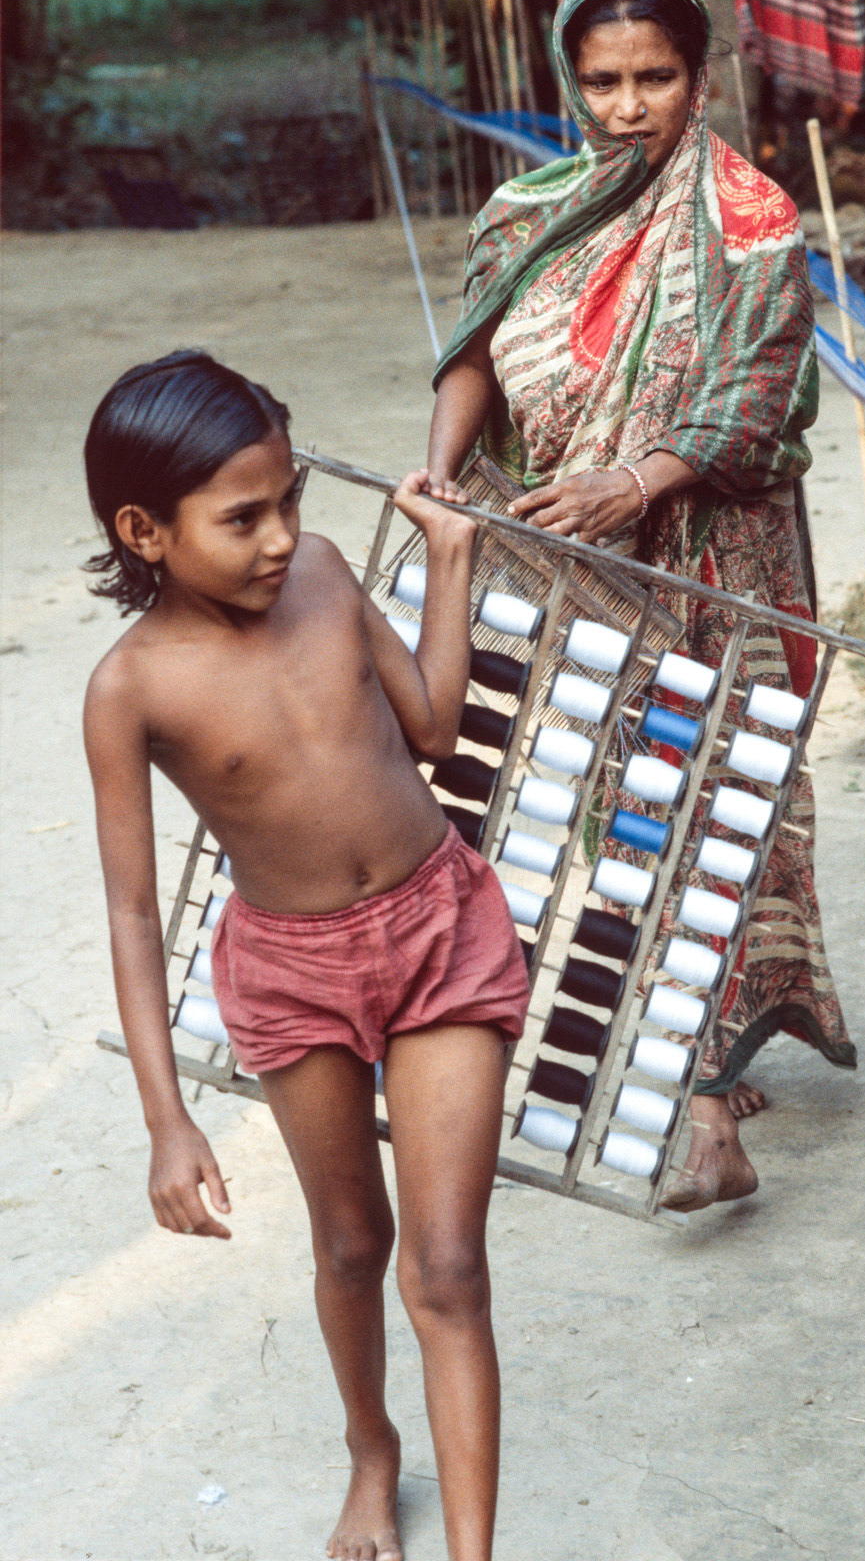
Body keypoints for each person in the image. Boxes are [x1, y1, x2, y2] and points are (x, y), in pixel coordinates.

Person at [82, 350, 530, 1561]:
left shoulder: (327, 577)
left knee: (446, 1268)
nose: (282, 536)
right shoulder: (128, 691)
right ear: (145, 530)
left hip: (440, 932)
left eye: (290, 500)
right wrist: (167, 1122)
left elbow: (432, 729)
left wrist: (449, 562)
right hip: (291, 972)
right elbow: (131, 912)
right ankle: (371, 1450)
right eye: (243, 517)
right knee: (351, 1244)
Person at [425, 0, 856, 1213]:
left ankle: (707, 1108)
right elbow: (473, 352)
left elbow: (755, 397)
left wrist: (636, 478)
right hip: (574, 562)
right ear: (572, 80)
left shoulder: (751, 223)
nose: (627, 106)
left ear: (699, 76)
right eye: (604, 81)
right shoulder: (527, 212)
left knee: (710, 791)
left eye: (653, 78)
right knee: (616, 798)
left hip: (715, 568)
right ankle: (701, 1052)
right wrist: (446, 469)